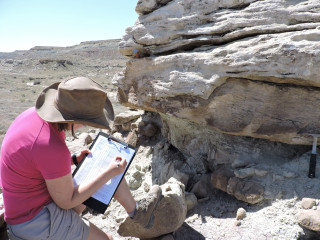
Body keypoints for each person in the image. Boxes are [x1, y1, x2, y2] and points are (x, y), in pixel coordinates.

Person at [0, 76, 162, 240]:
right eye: (87, 122)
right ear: (73, 119)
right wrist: (108, 173)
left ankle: (139, 215)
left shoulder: (36, 117)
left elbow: (34, 163)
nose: (86, 126)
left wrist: (72, 160)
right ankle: (142, 219)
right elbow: (67, 202)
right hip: (35, 222)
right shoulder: (50, 145)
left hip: (29, 207)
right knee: (107, 239)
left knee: (108, 168)